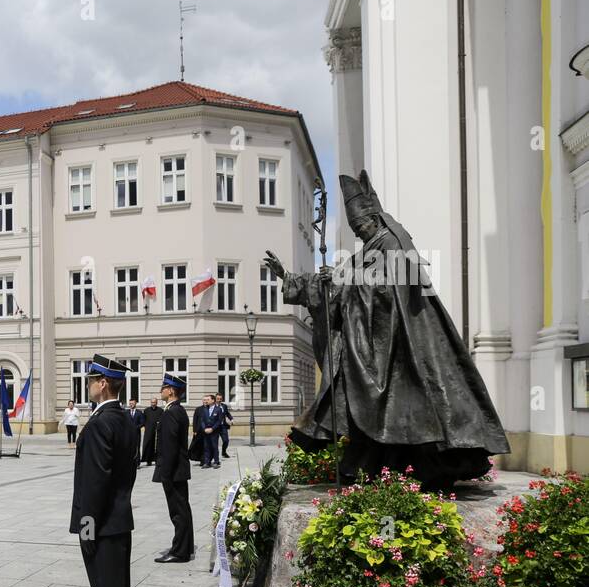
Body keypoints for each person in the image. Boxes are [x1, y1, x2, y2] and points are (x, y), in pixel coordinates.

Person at [263, 170, 509, 489]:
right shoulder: (366, 250)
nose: (361, 232)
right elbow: (337, 287)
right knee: (368, 403)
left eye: (363, 226)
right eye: (356, 229)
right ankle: (376, 468)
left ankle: (426, 468)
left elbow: (393, 288)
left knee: (413, 410)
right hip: (373, 348)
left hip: (404, 347)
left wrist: (346, 281)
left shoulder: (394, 242)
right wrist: (289, 277)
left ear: (376, 219)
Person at [68, 355, 139, 587]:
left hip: (102, 524)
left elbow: (96, 481)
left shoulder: (100, 423)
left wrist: (86, 527)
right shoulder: (125, 418)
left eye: (92, 379)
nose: (89, 383)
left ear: (104, 384)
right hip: (118, 519)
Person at [153, 373, 194, 563]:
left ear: (171, 391)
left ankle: (179, 552)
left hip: (173, 472)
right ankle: (184, 546)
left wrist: (165, 475)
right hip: (178, 470)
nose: (161, 391)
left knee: (178, 512)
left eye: (163, 388)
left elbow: (169, 448)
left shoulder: (170, 413)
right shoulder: (178, 411)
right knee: (182, 509)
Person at [140, 396, 161, 466]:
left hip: (157, 430)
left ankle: (157, 459)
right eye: (152, 402)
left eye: (154, 402)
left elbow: (162, 420)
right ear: (150, 403)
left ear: (157, 403)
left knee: (157, 446)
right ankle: (148, 460)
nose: (153, 404)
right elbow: (143, 420)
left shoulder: (160, 410)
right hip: (148, 430)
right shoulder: (146, 410)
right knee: (148, 445)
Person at [215, 393, 233, 459]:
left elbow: (227, 413)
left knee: (226, 440)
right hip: (215, 427)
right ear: (215, 399)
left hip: (223, 426)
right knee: (215, 443)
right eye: (218, 399)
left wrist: (231, 419)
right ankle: (215, 455)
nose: (219, 400)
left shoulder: (224, 406)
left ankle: (223, 452)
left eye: (220, 399)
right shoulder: (212, 406)